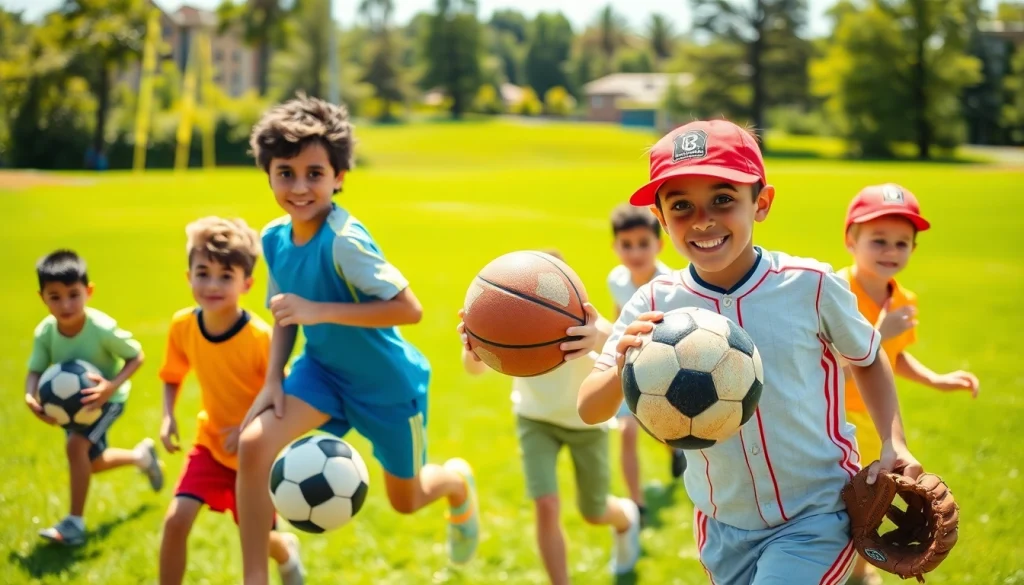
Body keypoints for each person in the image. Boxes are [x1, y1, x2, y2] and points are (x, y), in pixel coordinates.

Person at [578, 120, 924, 585]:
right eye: (681, 206)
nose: (702, 220)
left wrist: (893, 441)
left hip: (815, 515)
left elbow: (868, 357)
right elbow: (589, 407)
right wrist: (620, 358)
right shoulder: (652, 303)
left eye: (723, 199)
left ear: (760, 203)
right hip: (724, 524)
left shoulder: (810, 284)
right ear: (661, 217)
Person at [235, 94, 479, 585]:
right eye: (285, 173)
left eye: (314, 173)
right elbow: (285, 316)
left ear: (339, 176)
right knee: (253, 447)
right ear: (268, 174)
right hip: (321, 373)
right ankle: (255, 577)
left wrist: (318, 310)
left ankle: (456, 483)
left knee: (406, 502)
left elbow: (409, 309)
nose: (299, 187)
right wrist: (272, 380)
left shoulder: (345, 240)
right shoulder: (273, 239)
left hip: (387, 386)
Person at [458, 250, 640, 582]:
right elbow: (472, 370)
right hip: (534, 419)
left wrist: (596, 334)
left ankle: (626, 519)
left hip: (585, 422)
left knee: (594, 511)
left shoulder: (582, 321)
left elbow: (617, 339)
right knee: (546, 506)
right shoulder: (514, 324)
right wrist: (474, 346)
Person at [839, 184, 980, 585]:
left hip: (875, 419)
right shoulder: (835, 293)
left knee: (872, 502)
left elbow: (893, 355)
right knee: (839, 498)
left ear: (914, 249)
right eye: (878, 240)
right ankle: (835, 570)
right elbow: (829, 366)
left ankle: (862, 571)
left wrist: (935, 378)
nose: (890, 251)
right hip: (831, 416)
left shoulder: (902, 298)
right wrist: (879, 333)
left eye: (902, 243)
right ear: (851, 240)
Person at [158, 217, 305, 585]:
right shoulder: (183, 326)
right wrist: (167, 416)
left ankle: (286, 550)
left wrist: (247, 432)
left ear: (247, 283)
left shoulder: (259, 337)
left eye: (226, 276)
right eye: (203, 272)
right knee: (176, 522)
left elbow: (281, 395)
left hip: (255, 456)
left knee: (258, 541)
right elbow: (172, 375)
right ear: (188, 275)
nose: (212, 284)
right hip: (210, 445)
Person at [25, 249, 163, 547]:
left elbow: (136, 356)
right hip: (72, 407)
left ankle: (74, 523)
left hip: (108, 401)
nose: (65, 304)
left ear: (89, 292)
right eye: (55, 296)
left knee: (77, 448)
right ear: (42, 298)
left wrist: (110, 388)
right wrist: (30, 395)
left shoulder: (100, 328)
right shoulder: (46, 332)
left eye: (73, 294)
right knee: (91, 461)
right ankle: (141, 457)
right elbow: (35, 369)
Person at [607, 203, 685, 522]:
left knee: (663, 428)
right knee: (626, 431)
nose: (635, 252)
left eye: (643, 243)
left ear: (660, 244)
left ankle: (677, 451)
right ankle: (636, 503)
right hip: (631, 367)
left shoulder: (671, 284)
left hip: (668, 370)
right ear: (615, 247)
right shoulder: (616, 279)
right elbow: (617, 318)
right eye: (627, 245)